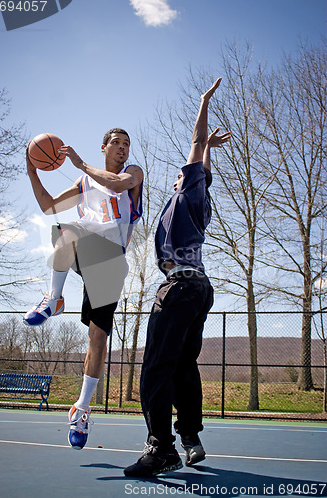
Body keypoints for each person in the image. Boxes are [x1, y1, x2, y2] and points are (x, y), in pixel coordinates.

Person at [124, 80, 231, 477]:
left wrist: (203, 105)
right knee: (184, 364)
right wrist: (206, 154)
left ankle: (161, 448)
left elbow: (197, 142)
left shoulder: (190, 189)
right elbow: (202, 157)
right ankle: (189, 435)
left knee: (155, 367)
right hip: (198, 288)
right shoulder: (192, 200)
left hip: (182, 287)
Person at [23, 128, 143, 449]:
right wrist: (33, 170)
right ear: (103, 147)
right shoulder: (83, 184)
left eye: (126, 144)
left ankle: (82, 408)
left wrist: (80, 163)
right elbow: (48, 206)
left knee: (98, 340)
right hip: (85, 247)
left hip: (111, 262)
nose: (122, 148)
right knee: (66, 232)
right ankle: (54, 298)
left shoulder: (133, 174)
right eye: (116, 143)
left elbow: (116, 184)